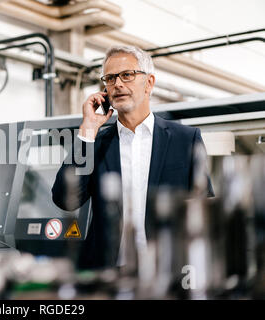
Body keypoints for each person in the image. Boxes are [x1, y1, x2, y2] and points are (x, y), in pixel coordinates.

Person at [51, 45, 214, 270]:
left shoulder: (185, 139)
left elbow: (203, 208)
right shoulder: (95, 143)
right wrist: (87, 130)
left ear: (149, 83)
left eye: (127, 75)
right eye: (109, 78)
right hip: (106, 275)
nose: (117, 84)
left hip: (168, 272)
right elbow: (64, 199)